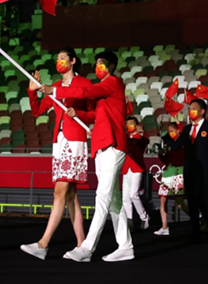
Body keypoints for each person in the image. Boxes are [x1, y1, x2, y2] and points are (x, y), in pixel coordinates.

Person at [40, 51, 133, 262]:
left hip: (113, 144)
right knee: (113, 201)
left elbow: (85, 90)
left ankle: (86, 248)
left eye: (102, 63)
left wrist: (55, 89)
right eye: (97, 63)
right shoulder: (103, 94)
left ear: (112, 66)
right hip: (101, 147)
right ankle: (125, 245)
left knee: (102, 197)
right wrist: (78, 114)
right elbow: (95, 115)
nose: (98, 66)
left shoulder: (113, 83)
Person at [20, 48, 95, 260]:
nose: (59, 61)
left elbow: (94, 112)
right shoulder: (54, 87)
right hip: (59, 142)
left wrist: (79, 113)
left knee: (59, 193)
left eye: (63, 58)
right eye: (57, 59)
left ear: (73, 61)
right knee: (71, 196)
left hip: (75, 141)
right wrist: (32, 91)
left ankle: (43, 244)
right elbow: (37, 112)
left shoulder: (84, 85)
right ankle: (82, 245)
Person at [164, 99, 208, 244]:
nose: (191, 111)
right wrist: (165, 135)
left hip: (204, 170)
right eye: (190, 109)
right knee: (191, 201)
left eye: (194, 108)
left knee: (201, 200)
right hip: (189, 169)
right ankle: (196, 233)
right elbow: (177, 145)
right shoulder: (187, 129)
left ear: (202, 111)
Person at [155, 121, 188, 236]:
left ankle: (196, 220)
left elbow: (176, 147)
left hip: (178, 173)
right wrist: (160, 152)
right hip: (168, 173)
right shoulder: (170, 143)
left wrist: (163, 134)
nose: (170, 133)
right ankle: (164, 226)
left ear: (178, 130)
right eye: (169, 132)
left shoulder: (183, 141)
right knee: (163, 199)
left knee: (180, 203)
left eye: (172, 131)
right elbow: (166, 159)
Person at [122, 116, 150, 231]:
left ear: (137, 125)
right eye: (128, 124)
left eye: (132, 124)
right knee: (125, 198)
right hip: (125, 169)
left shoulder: (140, 136)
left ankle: (144, 216)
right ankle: (129, 221)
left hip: (137, 169)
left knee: (134, 194)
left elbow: (145, 141)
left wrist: (141, 133)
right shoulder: (125, 138)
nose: (129, 126)